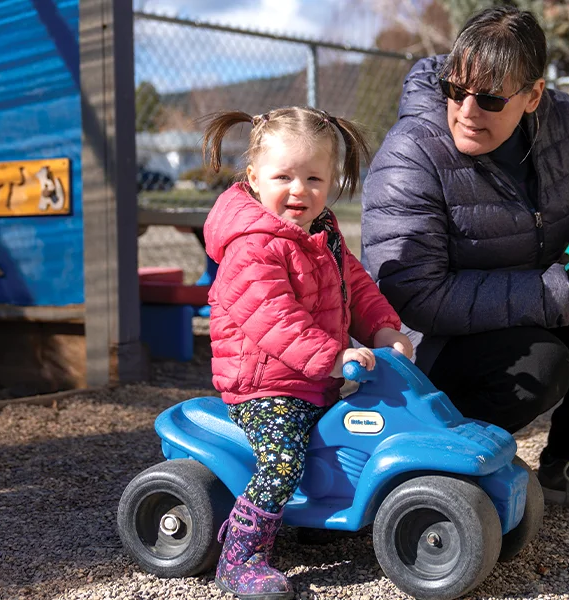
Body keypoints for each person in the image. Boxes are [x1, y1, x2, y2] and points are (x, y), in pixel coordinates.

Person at [361, 6, 569, 517]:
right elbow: (415, 297)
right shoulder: (411, 152)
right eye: (455, 90)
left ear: (533, 96)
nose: (467, 111)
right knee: (540, 366)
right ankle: (423, 462)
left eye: (489, 98)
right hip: (430, 348)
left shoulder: (565, 123)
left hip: (528, 310)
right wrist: (566, 292)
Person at [201, 106, 413, 600]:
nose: (300, 190)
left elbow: (353, 285)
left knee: (359, 430)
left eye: (314, 177)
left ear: (333, 180)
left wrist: (383, 329)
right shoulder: (252, 247)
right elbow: (274, 320)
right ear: (254, 178)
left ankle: (320, 514)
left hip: (312, 376)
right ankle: (241, 556)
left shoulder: (322, 230)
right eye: (284, 177)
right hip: (265, 385)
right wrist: (334, 357)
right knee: (281, 460)